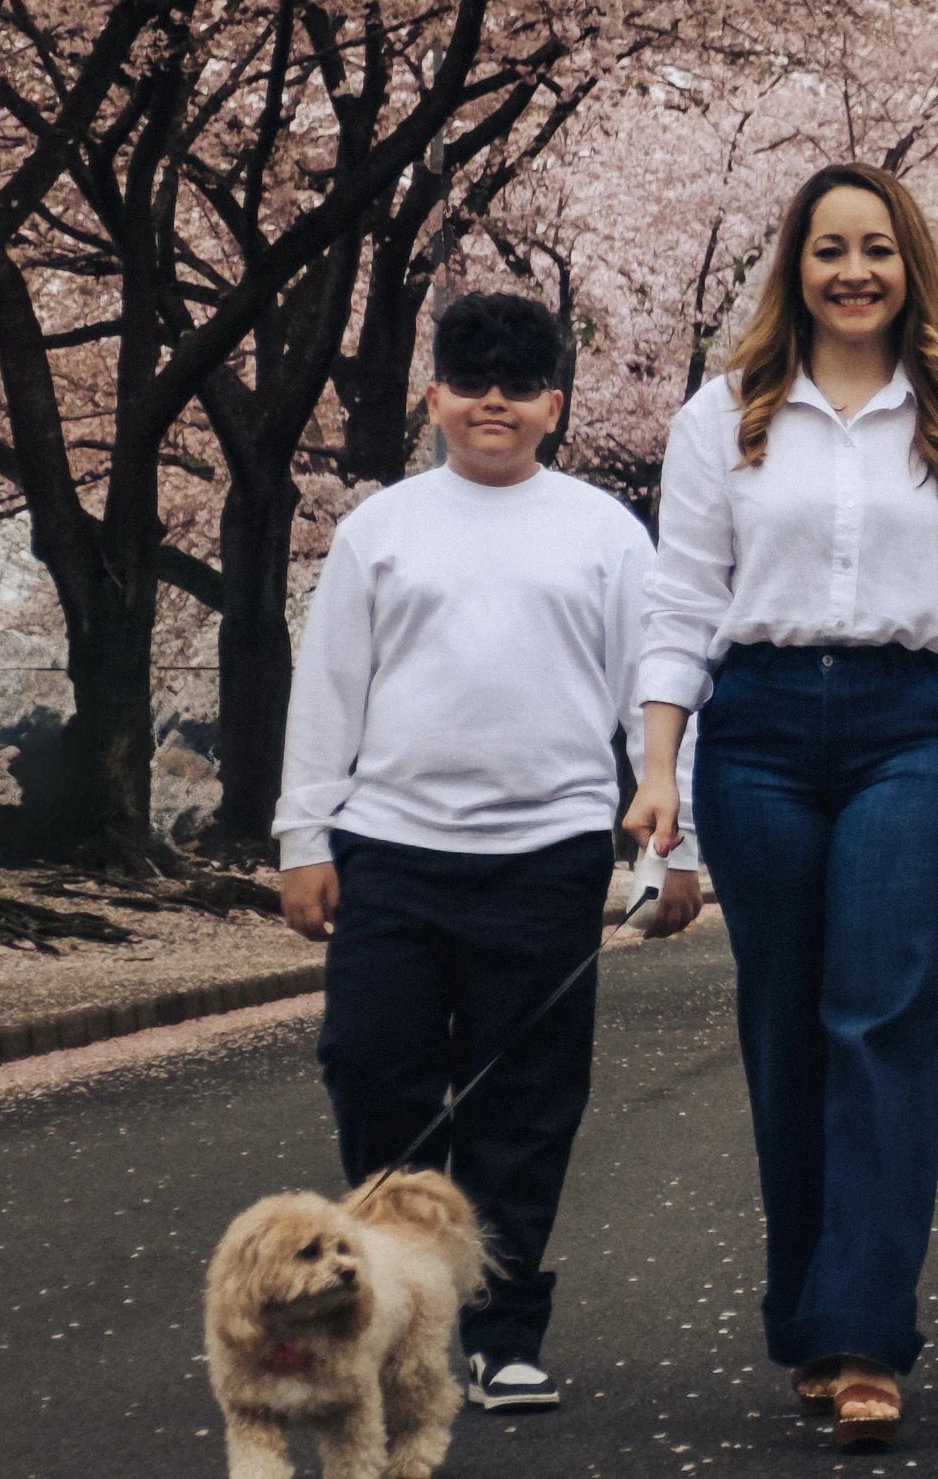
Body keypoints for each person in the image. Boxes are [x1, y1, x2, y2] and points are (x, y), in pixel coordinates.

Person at [621, 163, 938, 1454]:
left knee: (887, 1015)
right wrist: (658, 769)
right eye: (828, 250)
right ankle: (807, 1313)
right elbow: (683, 600)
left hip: (908, 728)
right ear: (794, 270)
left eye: (876, 247)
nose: (852, 269)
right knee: (787, 1020)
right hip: (753, 730)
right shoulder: (726, 415)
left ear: (909, 264)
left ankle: (864, 1331)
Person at [276, 290, 673, 1414]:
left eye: (518, 385)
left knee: (528, 1100)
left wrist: (666, 824)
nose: (492, 403)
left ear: (553, 403)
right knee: (372, 1068)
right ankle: (394, 1312)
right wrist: (306, 835)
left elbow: (647, 692)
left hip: (547, 853)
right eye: (470, 381)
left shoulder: (603, 532)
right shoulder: (380, 529)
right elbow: (330, 691)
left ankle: (505, 1332)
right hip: (390, 849)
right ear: (434, 395)